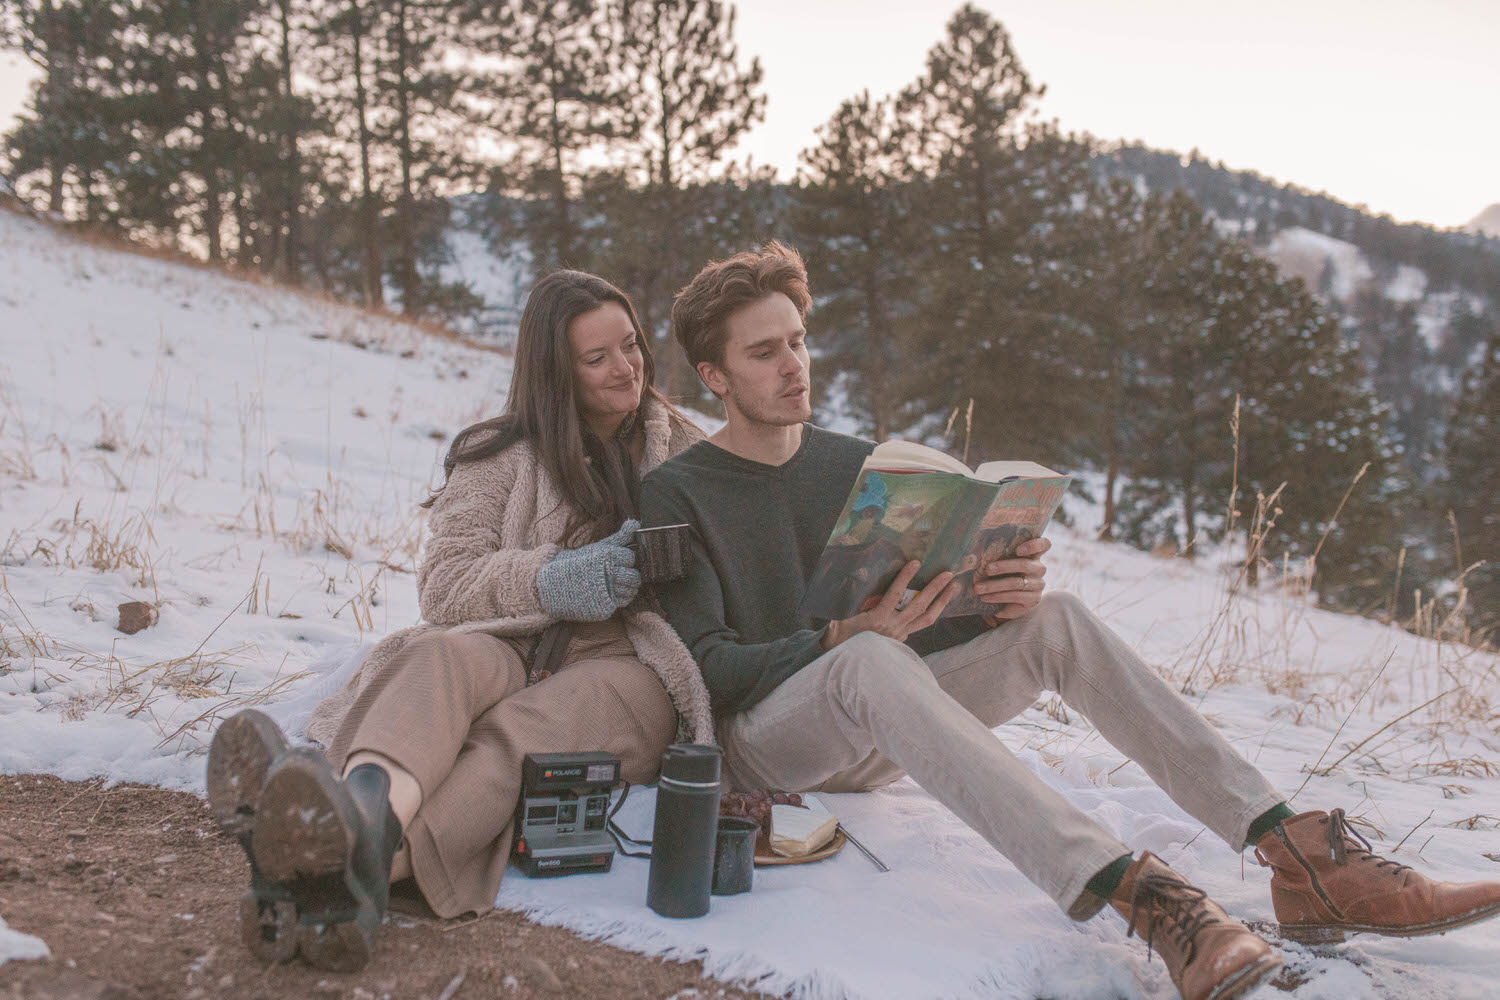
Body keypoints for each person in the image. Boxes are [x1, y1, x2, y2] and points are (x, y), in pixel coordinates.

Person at [639, 241, 1500, 1000]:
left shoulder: (862, 465)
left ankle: (1299, 854)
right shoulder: (677, 494)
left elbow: (910, 631)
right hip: (771, 744)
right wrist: (835, 641)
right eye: (763, 353)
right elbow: (708, 667)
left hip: (886, 717)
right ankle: (1151, 904)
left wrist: (989, 600)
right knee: (868, 663)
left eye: (798, 340)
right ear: (713, 376)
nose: (795, 366)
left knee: (1058, 620)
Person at [205, 270, 714, 972]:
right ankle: (356, 829)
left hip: (627, 662)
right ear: (553, 372)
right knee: (433, 662)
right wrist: (551, 578)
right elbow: (445, 590)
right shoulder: (497, 453)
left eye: (631, 346)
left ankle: (339, 873)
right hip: (509, 636)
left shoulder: (686, 452)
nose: (627, 369)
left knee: (517, 736)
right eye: (597, 359)